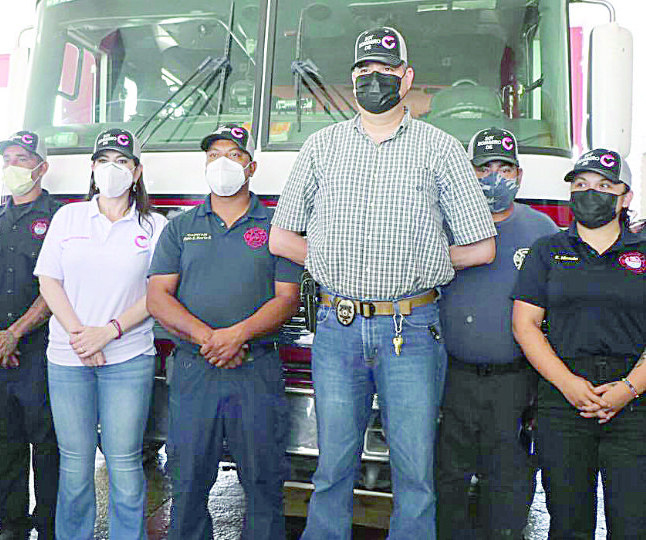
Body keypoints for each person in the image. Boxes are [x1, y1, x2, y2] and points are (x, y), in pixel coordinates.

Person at [268, 27, 497, 539]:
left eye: (386, 71)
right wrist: (333, 260)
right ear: (352, 80)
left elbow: (482, 246)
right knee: (332, 469)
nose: (374, 80)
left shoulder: (441, 149)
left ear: (406, 77)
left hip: (411, 329)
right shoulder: (321, 147)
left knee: (415, 474)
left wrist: (426, 261)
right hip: (337, 326)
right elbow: (281, 238)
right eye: (364, 71)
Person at [147, 124, 302, 539]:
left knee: (264, 479)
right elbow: (158, 297)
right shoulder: (180, 227)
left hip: (256, 370)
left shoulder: (277, 225)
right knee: (189, 480)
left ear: (252, 166)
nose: (222, 163)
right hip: (195, 370)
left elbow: (287, 298)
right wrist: (209, 338)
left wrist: (238, 335)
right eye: (214, 155)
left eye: (233, 155)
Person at [33, 128, 167, 540]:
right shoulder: (68, 217)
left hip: (127, 356)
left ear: (137, 171)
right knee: (74, 463)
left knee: (124, 461)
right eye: (104, 161)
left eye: (122, 162)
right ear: (92, 169)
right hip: (68, 357)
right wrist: (80, 335)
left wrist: (107, 332)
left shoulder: (154, 225)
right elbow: (49, 281)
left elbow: (157, 292)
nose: (113, 170)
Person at [512, 148, 646, 539]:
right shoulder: (548, 251)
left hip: (634, 403)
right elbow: (526, 325)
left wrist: (627, 389)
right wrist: (569, 385)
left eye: (605, 185)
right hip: (563, 403)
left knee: (633, 524)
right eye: (582, 185)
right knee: (568, 524)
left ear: (626, 197)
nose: (592, 193)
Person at [435, 128, 559, 539]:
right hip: (453, 380)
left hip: (514, 384)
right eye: (484, 168)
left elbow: (557, 313)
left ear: (519, 176)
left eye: (504, 168)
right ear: (468, 174)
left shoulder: (542, 232)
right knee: (447, 483)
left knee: (509, 486)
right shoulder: (444, 226)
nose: (494, 177)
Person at [0, 130, 61, 540]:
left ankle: (48, 524)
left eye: (23, 159)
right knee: (3, 437)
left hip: (41, 349)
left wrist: (16, 333)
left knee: (45, 441)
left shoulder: (61, 217)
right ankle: (11, 522)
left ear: (42, 167)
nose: (13, 166)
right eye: (7, 158)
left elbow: (56, 287)